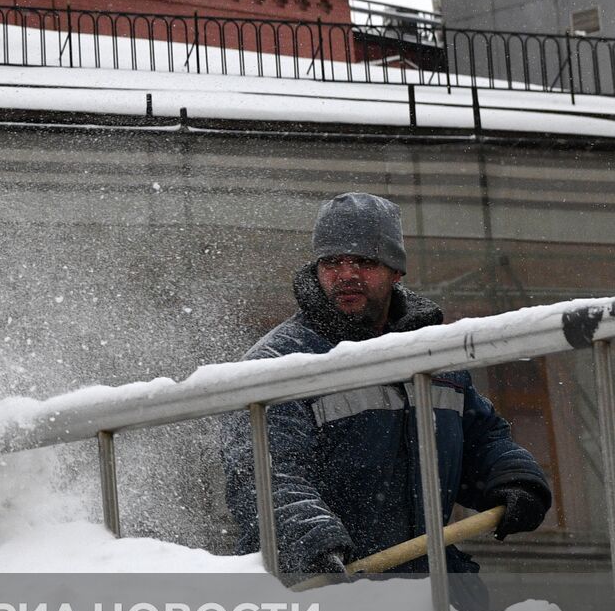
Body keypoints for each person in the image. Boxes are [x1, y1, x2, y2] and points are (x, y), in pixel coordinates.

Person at [219, 192, 552, 583]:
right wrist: (313, 545)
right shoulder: (278, 364)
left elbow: (480, 438)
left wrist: (513, 479)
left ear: (396, 271)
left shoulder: (432, 354)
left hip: (436, 591)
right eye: (332, 262)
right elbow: (263, 475)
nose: (346, 274)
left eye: (365, 261)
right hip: (331, 592)